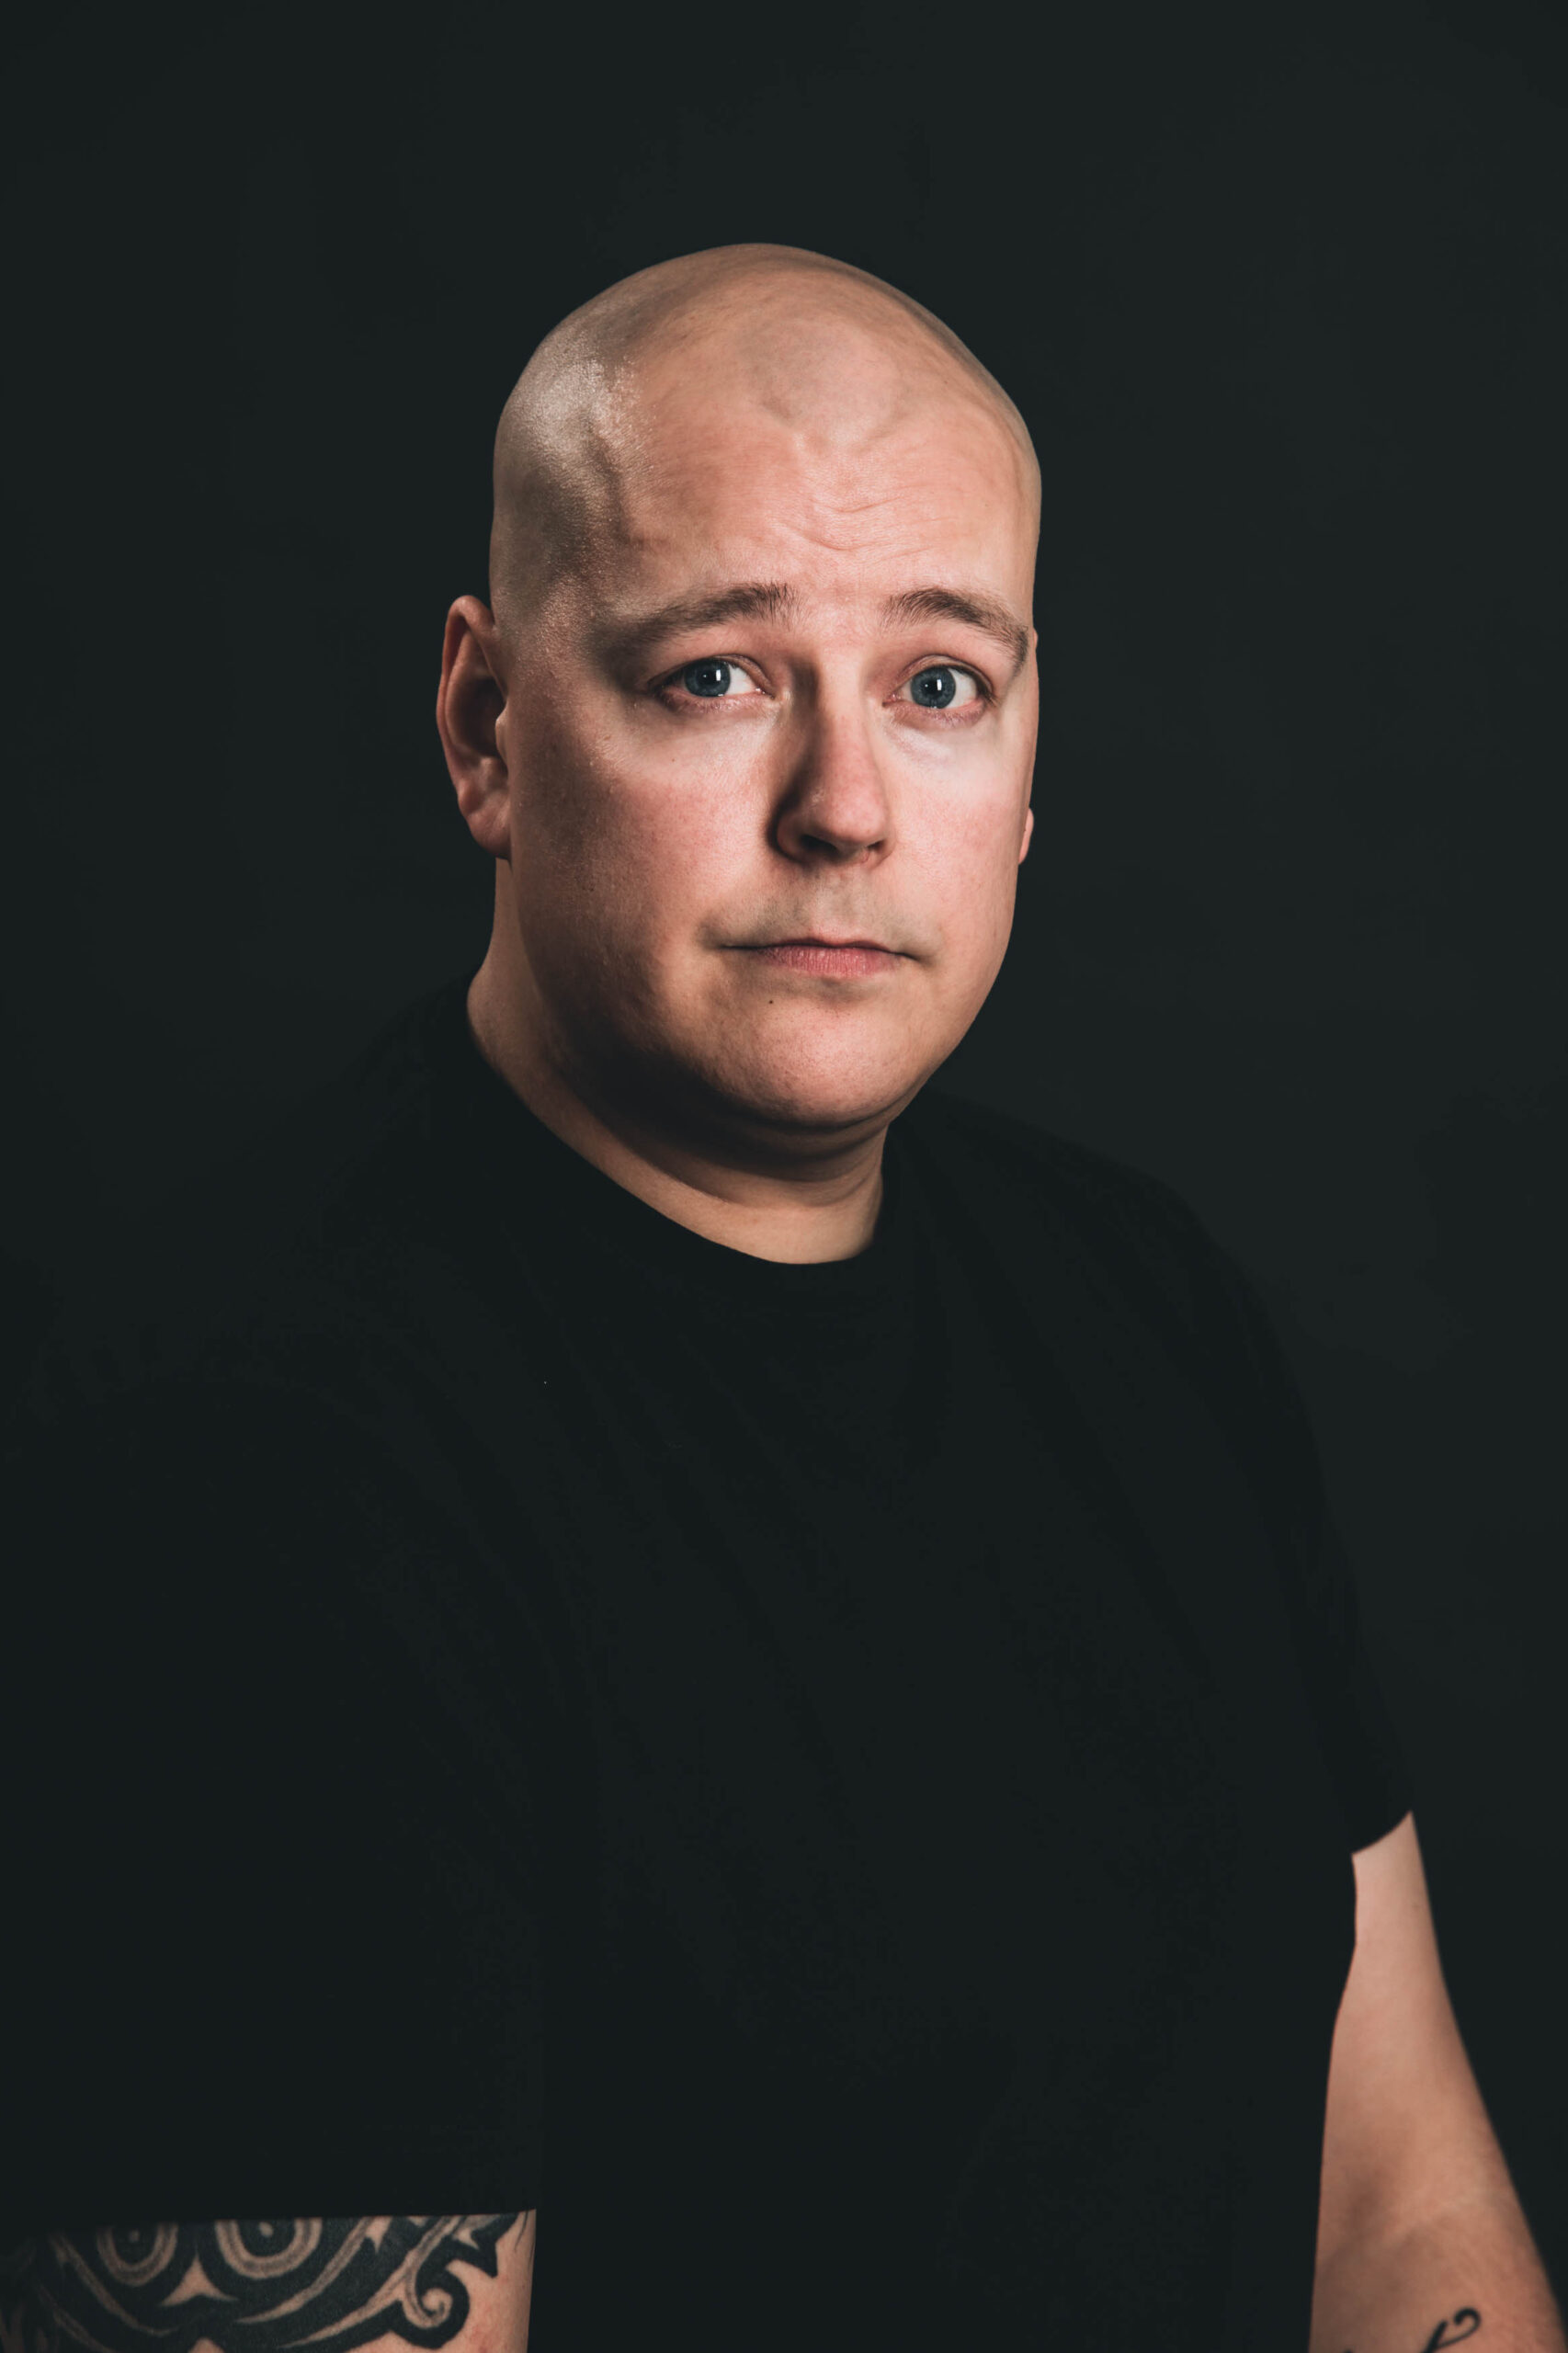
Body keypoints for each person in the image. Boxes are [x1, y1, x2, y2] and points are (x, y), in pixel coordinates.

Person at [1, 244, 1560, 2353]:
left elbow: (1387, 2206)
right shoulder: (253, 1472)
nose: (843, 807)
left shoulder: (1145, 1307)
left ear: (1026, 753)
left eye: (938, 684)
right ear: (484, 726)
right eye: (716, 674)